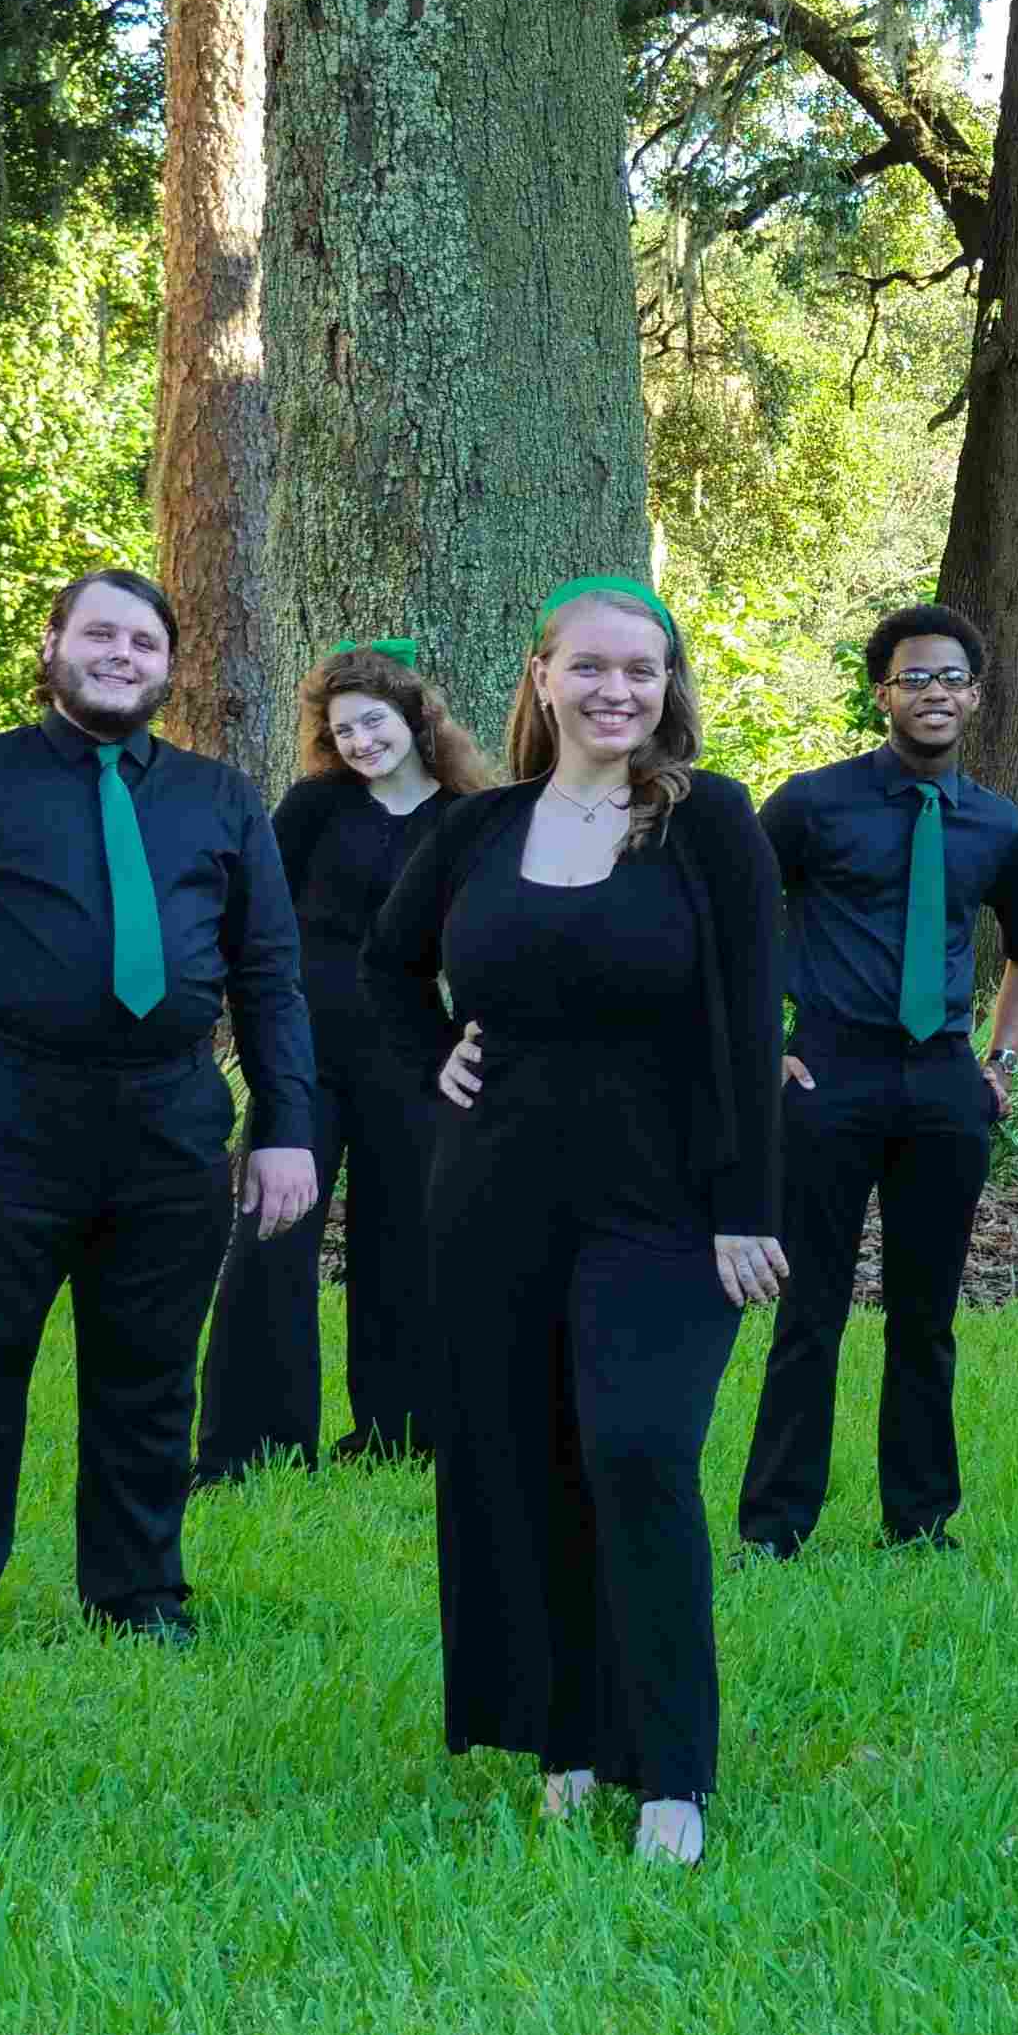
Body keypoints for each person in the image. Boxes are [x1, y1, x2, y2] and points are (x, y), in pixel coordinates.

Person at [366, 576, 787, 1867]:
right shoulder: (478, 828)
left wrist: (745, 1210)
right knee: (519, 1462)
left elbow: (749, 1018)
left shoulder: (707, 821)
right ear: (541, 676)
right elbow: (382, 966)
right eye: (592, 668)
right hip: (495, 1197)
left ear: (670, 689)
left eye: (644, 671)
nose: (619, 692)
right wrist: (432, 1053)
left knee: (640, 1452)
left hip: (666, 1208)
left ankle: (670, 1770)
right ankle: (564, 1742)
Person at [0, 568, 321, 1671]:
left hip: (170, 1122)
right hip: (1, 1122)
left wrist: (287, 1126)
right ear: (54, 645)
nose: (123, 656)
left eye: (145, 642)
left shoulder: (219, 800)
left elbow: (269, 974)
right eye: (101, 635)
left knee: (152, 1377)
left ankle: (137, 1597)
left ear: (170, 666)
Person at [735, 604, 1018, 1558]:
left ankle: (919, 1522)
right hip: (827, 1073)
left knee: (927, 1314)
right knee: (810, 1308)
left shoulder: (997, 823)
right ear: (882, 693)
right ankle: (776, 1524)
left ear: (976, 696)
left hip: (942, 1084)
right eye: (914, 678)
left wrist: (1000, 1062)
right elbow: (733, 923)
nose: (934, 693)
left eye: (951, 678)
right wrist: (762, 1047)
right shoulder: (810, 804)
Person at [199, 643, 491, 1481]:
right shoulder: (315, 805)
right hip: (304, 1055)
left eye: (375, 721)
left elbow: (480, 943)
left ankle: (398, 1433)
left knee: (403, 1242)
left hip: (410, 1057)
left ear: (414, 717)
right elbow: (255, 922)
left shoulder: (467, 816)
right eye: (344, 729)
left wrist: (467, 1040)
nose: (361, 740)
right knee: (270, 1237)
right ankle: (252, 1443)